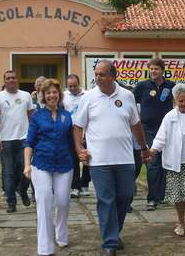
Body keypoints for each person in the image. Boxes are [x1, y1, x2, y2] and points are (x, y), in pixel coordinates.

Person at [73, 60, 151, 256]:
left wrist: (143, 148)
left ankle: (114, 233)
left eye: (102, 74)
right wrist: (79, 149)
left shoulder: (127, 96)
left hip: (125, 158)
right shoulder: (89, 97)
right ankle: (109, 242)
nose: (97, 78)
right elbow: (77, 126)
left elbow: (135, 124)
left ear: (113, 76)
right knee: (106, 199)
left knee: (125, 197)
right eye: (96, 74)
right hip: (99, 161)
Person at [150, 83, 185, 237]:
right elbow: (161, 138)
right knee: (179, 195)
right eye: (180, 101)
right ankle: (181, 222)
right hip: (175, 162)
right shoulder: (169, 117)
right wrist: (152, 151)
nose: (184, 104)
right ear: (175, 101)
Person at [23, 79, 73, 256]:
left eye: (55, 92)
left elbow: (73, 141)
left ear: (59, 95)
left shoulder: (67, 115)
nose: (52, 95)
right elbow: (29, 142)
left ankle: (61, 234)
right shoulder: (37, 116)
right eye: (48, 93)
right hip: (41, 164)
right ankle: (45, 248)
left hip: (64, 164)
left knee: (63, 202)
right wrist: (27, 165)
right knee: (44, 203)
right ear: (43, 96)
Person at [133, 58, 175, 211]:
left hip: (167, 129)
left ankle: (161, 196)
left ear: (162, 70)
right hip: (148, 129)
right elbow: (131, 101)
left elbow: (179, 101)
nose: (153, 71)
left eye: (156, 69)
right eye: (151, 69)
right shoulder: (142, 86)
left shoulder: (171, 86)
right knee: (152, 162)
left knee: (164, 163)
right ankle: (151, 199)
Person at [0, 70, 34, 213]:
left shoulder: (26, 95)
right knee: (8, 173)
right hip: (6, 141)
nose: (11, 80)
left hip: (24, 140)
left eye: (13, 77)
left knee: (27, 170)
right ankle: (11, 202)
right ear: (4, 81)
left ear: (17, 80)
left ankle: (22, 190)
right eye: (8, 78)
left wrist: (34, 137)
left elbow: (31, 117)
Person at [63, 74, 90, 198]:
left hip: (87, 131)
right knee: (73, 160)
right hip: (71, 131)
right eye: (70, 86)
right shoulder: (64, 96)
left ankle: (85, 183)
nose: (72, 88)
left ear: (79, 84)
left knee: (88, 158)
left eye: (74, 86)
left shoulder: (87, 95)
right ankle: (75, 186)